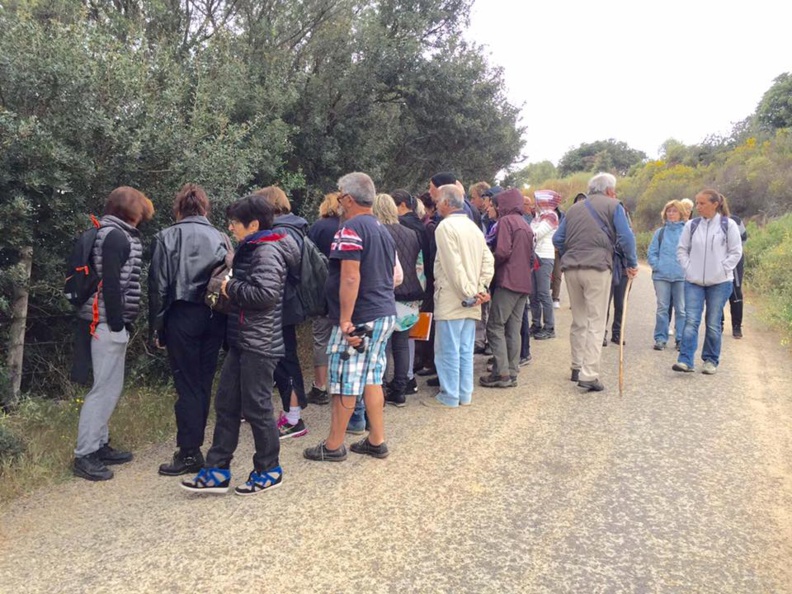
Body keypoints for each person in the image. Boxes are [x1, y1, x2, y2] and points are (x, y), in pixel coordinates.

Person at [181, 195, 299, 495]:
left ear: (254, 224)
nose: (231, 228)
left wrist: (229, 286)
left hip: (261, 342)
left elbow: (266, 295)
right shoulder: (254, 247)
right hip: (243, 339)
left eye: (235, 223)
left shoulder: (268, 250)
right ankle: (217, 470)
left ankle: (269, 469)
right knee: (227, 404)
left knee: (257, 407)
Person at [303, 172, 398, 462]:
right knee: (371, 377)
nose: (338, 200)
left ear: (347, 198)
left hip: (359, 318)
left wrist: (345, 319)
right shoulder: (382, 228)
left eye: (340, 194)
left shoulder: (350, 229)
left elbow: (350, 277)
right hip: (383, 313)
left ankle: (333, 446)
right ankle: (376, 440)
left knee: (345, 379)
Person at [72, 186, 154, 481]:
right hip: (105, 322)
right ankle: (85, 454)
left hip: (101, 320)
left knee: (108, 387)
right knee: (103, 389)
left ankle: (100, 443)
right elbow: (111, 284)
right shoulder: (117, 236)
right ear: (132, 211)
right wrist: (119, 326)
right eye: (141, 209)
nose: (144, 215)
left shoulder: (109, 232)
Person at [149, 184, 229, 476]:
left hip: (181, 314)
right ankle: (194, 447)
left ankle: (189, 451)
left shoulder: (166, 237)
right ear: (205, 208)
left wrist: (156, 327)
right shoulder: (221, 237)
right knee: (204, 381)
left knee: (186, 383)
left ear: (179, 208)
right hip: (214, 314)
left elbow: (158, 286)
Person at [553, 173, 638, 392]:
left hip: (571, 268)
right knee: (596, 321)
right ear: (609, 190)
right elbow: (626, 237)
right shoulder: (614, 205)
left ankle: (576, 366)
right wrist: (631, 263)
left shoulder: (573, 209)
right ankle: (589, 375)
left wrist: (570, 253)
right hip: (598, 267)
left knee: (579, 319)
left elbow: (557, 239)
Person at [423, 184, 494, 407]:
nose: (435, 206)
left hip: (453, 298)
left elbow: (452, 266)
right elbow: (488, 260)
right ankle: (465, 393)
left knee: (447, 350)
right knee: (464, 349)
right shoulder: (473, 227)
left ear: (446, 203)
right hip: (472, 298)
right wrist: (481, 288)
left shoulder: (445, 228)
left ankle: (449, 395)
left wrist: (470, 293)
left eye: (437, 202)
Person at [255, 186, 309, 439]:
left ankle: (294, 417)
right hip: (289, 303)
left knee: (285, 360)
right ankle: (291, 412)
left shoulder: (280, 232)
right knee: (285, 358)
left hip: (281, 305)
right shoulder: (295, 227)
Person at [673, 190, 743, 375]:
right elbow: (681, 249)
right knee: (691, 320)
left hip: (720, 282)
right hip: (693, 281)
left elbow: (736, 251)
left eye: (702, 203)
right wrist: (688, 268)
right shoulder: (692, 225)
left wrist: (723, 268)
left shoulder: (729, 225)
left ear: (715, 204)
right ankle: (685, 360)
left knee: (713, 322)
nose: (698, 207)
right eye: (697, 203)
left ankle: (711, 360)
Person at [372, 194, 424, 407]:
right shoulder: (412, 234)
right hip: (409, 294)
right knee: (401, 344)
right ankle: (400, 389)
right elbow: (419, 266)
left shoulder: (377, 234)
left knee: (381, 344)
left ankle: (380, 388)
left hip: (385, 295)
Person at [481, 188, 534, 388]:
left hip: (508, 281)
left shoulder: (505, 222)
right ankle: (512, 372)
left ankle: (501, 373)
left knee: (495, 325)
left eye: (496, 204)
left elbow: (502, 251)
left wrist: (488, 264)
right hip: (524, 283)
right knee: (513, 328)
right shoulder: (525, 224)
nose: (494, 207)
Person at [306, 192, 342, 405]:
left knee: (321, 338)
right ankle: (340, 383)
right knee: (344, 336)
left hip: (321, 290)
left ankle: (320, 386)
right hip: (344, 288)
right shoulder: (350, 226)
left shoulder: (318, 227)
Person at [646, 200, 686, 351]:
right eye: (669, 211)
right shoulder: (660, 232)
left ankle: (681, 339)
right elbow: (652, 252)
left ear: (681, 213)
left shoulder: (687, 231)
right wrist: (658, 266)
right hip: (661, 277)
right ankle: (660, 339)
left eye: (674, 211)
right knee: (663, 308)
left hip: (681, 276)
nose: (671, 214)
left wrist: (687, 269)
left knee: (681, 309)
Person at [529, 190, 561, 340]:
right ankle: (536, 324)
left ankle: (549, 327)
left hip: (545, 257)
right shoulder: (538, 217)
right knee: (533, 293)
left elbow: (535, 234)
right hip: (535, 256)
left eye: (538, 200)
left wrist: (531, 231)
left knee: (542, 292)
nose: (536, 203)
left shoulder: (551, 216)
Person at [726, 214, 748, 338]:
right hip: (716, 260)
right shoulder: (709, 220)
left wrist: (733, 252)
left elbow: (744, 238)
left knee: (736, 291)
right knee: (715, 293)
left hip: (735, 259)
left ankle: (737, 326)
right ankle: (719, 325)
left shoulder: (735, 220)